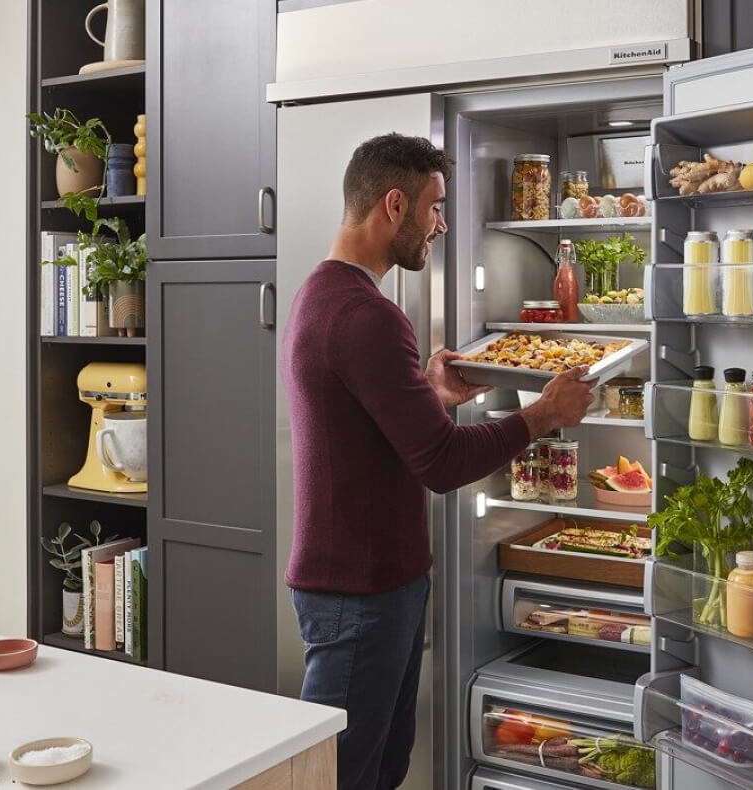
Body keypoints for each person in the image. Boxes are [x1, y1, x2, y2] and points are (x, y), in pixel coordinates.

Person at [281, 133, 593, 790]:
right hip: (357, 595)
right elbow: (443, 462)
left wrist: (431, 393)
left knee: (376, 769)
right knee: (340, 780)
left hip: (367, 586)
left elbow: (374, 428)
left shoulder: (326, 295)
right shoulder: (368, 315)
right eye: (435, 208)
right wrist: (542, 415)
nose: (442, 225)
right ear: (395, 205)